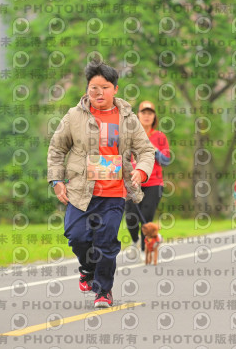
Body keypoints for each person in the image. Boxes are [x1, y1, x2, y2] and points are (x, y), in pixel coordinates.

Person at [47, 60, 155, 308]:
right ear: (87, 89)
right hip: (80, 191)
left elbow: (146, 150)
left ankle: (103, 290)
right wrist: (56, 180)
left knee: (106, 242)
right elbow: (56, 149)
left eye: (104, 87)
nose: (98, 93)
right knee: (76, 236)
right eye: (93, 87)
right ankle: (87, 269)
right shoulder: (74, 116)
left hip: (114, 193)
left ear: (115, 89)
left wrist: (141, 171)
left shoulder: (127, 118)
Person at [124, 100, 171, 254]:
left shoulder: (160, 136)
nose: (146, 116)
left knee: (146, 216)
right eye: (143, 112)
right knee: (131, 217)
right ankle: (136, 241)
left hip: (154, 183)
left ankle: (146, 250)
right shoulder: (130, 135)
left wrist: (155, 151)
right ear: (138, 115)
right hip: (133, 182)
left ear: (154, 117)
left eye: (150, 113)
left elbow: (166, 161)